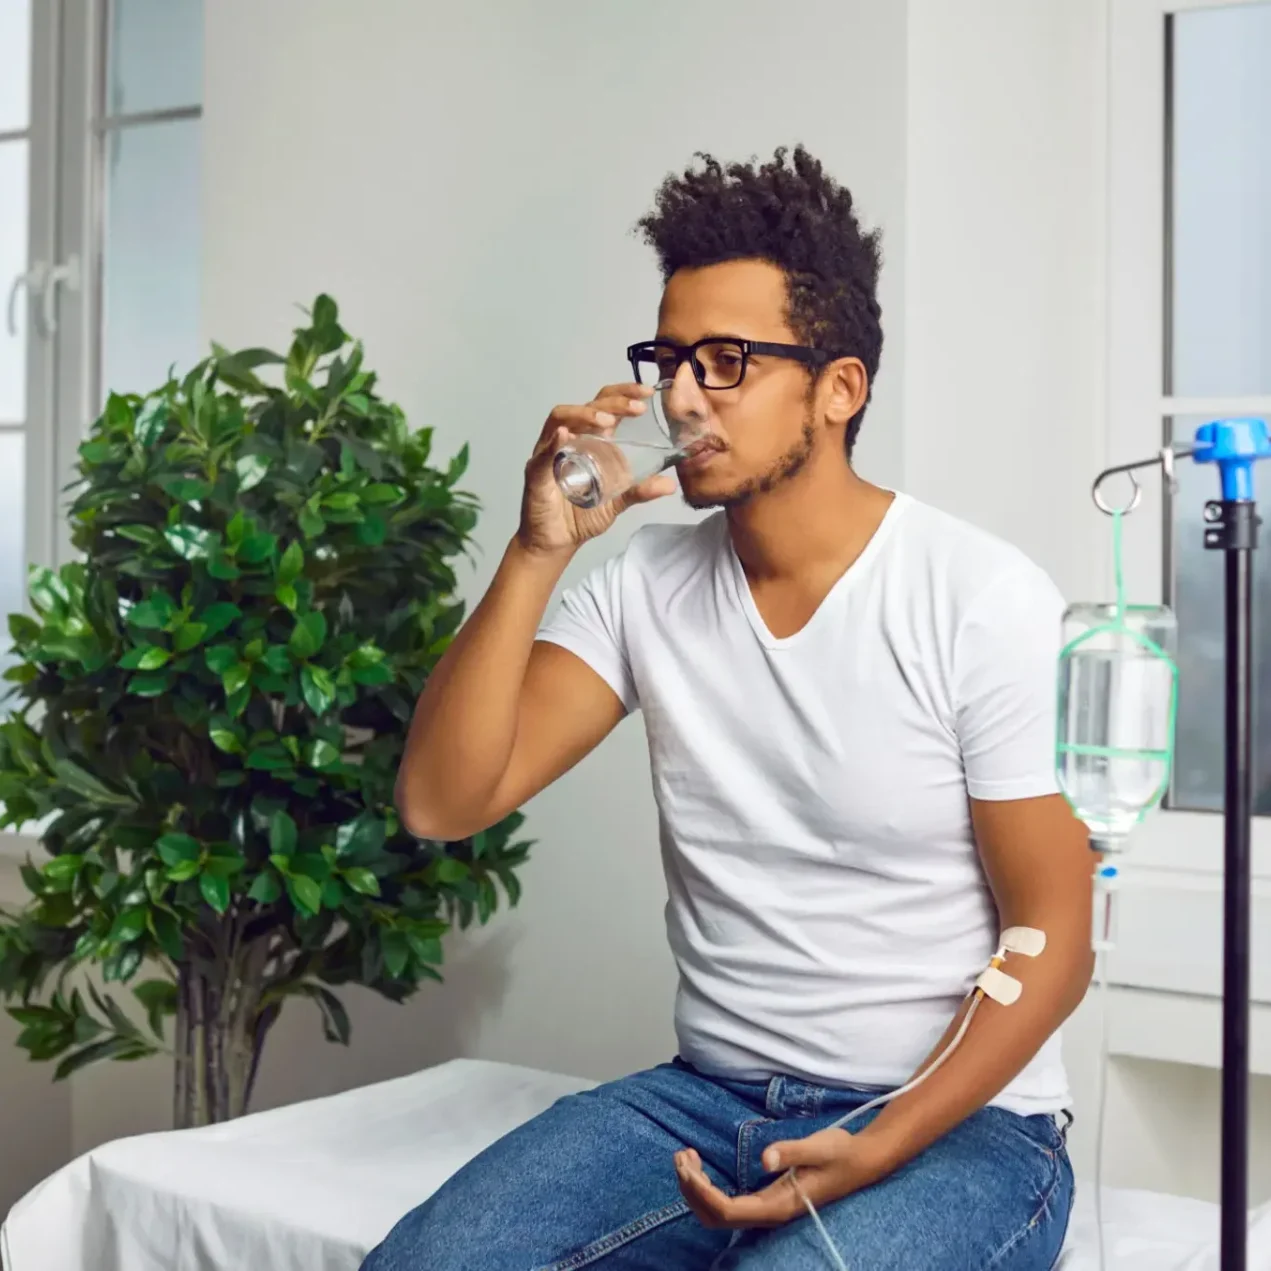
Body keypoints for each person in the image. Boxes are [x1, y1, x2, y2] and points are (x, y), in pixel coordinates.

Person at [364, 146, 1093, 1271]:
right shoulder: (643, 587)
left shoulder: (976, 595)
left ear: (838, 389)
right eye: (668, 359)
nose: (679, 395)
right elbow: (440, 801)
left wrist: (881, 1136)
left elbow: (1053, 931)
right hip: (707, 1098)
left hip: (959, 1126)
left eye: (725, 361)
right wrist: (536, 548)